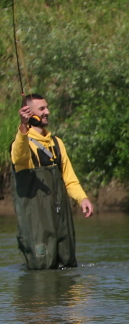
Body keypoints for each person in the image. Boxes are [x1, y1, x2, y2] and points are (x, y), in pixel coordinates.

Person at [11, 94, 93, 269]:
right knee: (42, 266)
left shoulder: (57, 143)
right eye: (41, 109)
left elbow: (69, 179)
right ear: (30, 113)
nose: (47, 112)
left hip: (60, 218)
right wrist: (23, 127)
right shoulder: (22, 143)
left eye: (47, 107)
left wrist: (82, 199)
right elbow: (19, 157)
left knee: (68, 264)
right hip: (36, 222)